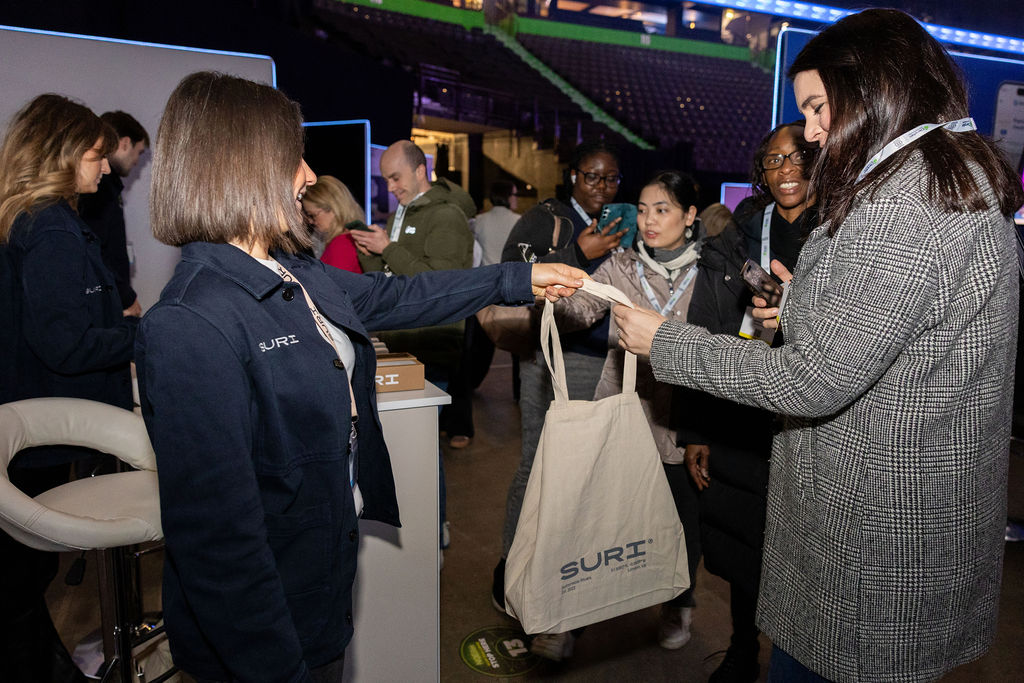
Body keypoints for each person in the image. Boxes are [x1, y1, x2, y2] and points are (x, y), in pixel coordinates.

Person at [134, 71, 586, 683]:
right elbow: (218, 544)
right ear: (239, 168)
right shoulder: (190, 323)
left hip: (320, 572)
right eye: (292, 157)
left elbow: (399, 297)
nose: (307, 174)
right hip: (264, 629)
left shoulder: (291, 270)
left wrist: (517, 280)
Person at [614, 9, 1023, 682]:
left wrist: (667, 342)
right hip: (912, 515)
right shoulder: (947, 177)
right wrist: (803, 305)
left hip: (870, 535)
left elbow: (812, 381)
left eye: (816, 107)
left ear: (874, 90)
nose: (808, 131)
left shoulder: (902, 203)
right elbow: (908, 335)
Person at [674, 121, 817, 683]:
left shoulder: (845, 233)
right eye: (773, 161)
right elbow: (705, 333)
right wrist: (696, 431)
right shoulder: (738, 237)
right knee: (742, 544)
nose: (786, 170)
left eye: (798, 157)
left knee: (806, 553)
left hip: (813, 419)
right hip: (742, 415)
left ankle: (800, 657)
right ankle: (742, 647)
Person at [0, 94, 135, 683]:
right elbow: (66, 345)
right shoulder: (51, 228)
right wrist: (144, 335)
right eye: (96, 155)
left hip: (24, 417)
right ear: (61, 153)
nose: (105, 168)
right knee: (20, 580)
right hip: (39, 429)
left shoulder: (27, 218)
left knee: (21, 580)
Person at [553, 170, 704, 652]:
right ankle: (574, 619)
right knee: (601, 516)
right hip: (623, 408)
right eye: (642, 210)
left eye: (662, 210)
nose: (648, 221)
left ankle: (678, 603)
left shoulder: (711, 272)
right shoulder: (621, 266)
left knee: (680, 522)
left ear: (689, 216)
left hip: (681, 418)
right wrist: (557, 295)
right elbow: (580, 311)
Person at [493, 140, 627, 661]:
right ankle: (516, 577)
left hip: (607, 361)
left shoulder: (623, 221)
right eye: (592, 177)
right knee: (539, 469)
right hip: (551, 360)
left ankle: (571, 591)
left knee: (585, 479)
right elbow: (512, 278)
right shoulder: (545, 218)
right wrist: (579, 254)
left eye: (611, 179)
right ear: (573, 175)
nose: (601, 188)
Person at [78, 110, 149, 317]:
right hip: (104, 300)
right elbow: (95, 248)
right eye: (139, 152)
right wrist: (125, 296)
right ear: (125, 143)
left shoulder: (108, 187)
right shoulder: (98, 188)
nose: (136, 161)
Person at [301, 174, 364, 273]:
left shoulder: (341, 245)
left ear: (332, 209)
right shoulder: (351, 238)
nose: (310, 221)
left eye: (312, 215)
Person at [475, 179, 519, 266]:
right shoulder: (520, 221)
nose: (517, 198)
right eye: (515, 195)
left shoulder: (478, 220)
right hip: (510, 272)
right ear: (507, 196)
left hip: (486, 272)